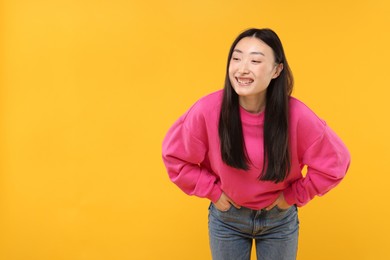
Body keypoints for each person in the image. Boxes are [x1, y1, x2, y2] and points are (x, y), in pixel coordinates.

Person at [161, 28, 350, 260]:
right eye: (236, 58)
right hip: (228, 220)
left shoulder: (298, 116)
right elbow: (174, 156)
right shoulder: (207, 110)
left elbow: (336, 163)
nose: (242, 68)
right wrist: (211, 190)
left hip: (279, 222)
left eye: (255, 60)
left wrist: (293, 196)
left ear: (276, 70)